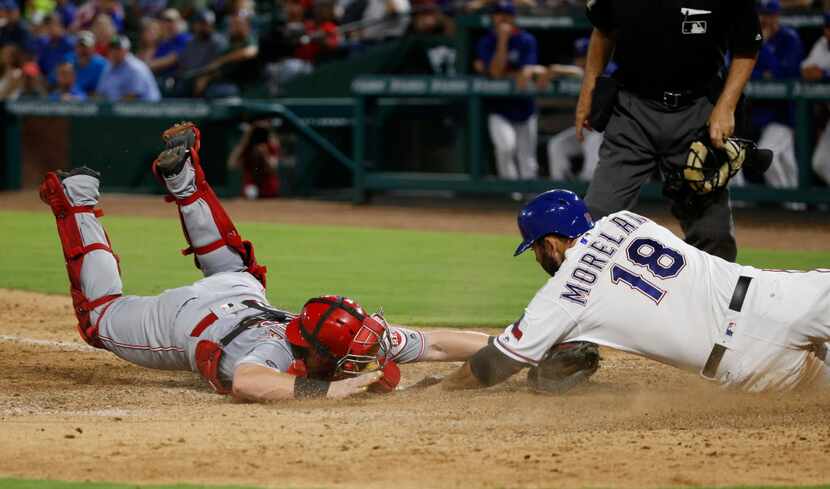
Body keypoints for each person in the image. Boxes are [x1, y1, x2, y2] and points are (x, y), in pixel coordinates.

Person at [39, 122, 489, 401]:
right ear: (314, 351)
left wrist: (517, 348)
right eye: (352, 358)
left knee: (236, 270)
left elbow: (435, 344)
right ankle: (76, 199)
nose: (363, 359)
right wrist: (332, 389)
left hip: (238, 297)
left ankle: (184, 179)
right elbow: (249, 384)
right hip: (181, 320)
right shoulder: (270, 353)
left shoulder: (350, 334)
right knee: (100, 318)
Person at [438, 189, 830, 394]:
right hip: (773, 295)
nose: (539, 257)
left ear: (550, 243)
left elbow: (496, 363)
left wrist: (439, 389)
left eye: (537, 249)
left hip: (748, 364)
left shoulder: (560, 298)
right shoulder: (626, 220)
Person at [574, 0, 762, 262]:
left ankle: (713, 302)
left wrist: (726, 105)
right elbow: (603, 31)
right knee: (595, 219)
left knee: (713, 234)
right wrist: (587, 91)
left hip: (696, 113)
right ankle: (581, 298)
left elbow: (747, 47)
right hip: (632, 112)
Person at [474, 1, 545, 183]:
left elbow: (525, 74)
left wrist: (508, 72)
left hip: (525, 107)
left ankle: (530, 197)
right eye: (497, 14)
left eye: (505, 14)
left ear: (513, 17)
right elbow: (497, 73)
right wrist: (503, 41)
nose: (501, 18)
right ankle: (511, 195)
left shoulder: (526, 39)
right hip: (499, 108)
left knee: (527, 158)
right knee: (505, 148)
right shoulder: (486, 41)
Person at [742, 0, 803, 203]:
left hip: (785, 114)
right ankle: (797, 206)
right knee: (786, 164)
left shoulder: (789, 38)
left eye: (771, 15)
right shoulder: (754, 37)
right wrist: (763, 71)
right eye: (763, 14)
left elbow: (782, 73)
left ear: (778, 16)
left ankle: (790, 205)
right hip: (763, 116)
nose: (766, 19)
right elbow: (748, 73)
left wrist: (764, 48)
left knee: (769, 157)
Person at [547, 36, 605, 183]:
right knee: (558, 144)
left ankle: (587, 189)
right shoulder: (575, 73)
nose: (580, 61)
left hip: (611, 131)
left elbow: (591, 75)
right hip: (589, 128)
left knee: (592, 142)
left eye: (584, 57)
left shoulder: (608, 67)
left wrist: (571, 71)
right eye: (579, 57)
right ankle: (561, 187)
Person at [804, 13, 830, 184]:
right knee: (820, 163)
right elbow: (805, 70)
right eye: (827, 28)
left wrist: (823, 74)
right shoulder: (822, 44)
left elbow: (818, 72)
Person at [95, 35, 161, 101]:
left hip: (147, 108)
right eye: (112, 49)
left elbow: (134, 96)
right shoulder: (108, 67)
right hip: (120, 107)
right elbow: (101, 93)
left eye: (118, 49)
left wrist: (112, 106)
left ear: (126, 50)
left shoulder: (135, 68)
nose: (114, 52)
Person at [227, 123, 281, 199]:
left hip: (268, 189)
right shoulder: (247, 147)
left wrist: (264, 154)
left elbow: (273, 167)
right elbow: (232, 164)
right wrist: (245, 139)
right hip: (251, 188)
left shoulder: (270, 146)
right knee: (251, 192)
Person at [148, 8, 192, 81]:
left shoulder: (185, 38)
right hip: (160, 77)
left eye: (170, 20)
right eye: (164, 20)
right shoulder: (163, 41)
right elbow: (151, 57)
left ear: (179, 22)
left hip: (177, 80)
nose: (167, 24)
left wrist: (144, 67)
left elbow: (172, 59)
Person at [35, 13, 75, 84]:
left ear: (60, 25)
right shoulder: (44, 43)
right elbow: (39, 64)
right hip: (46, 82)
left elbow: (69, 66)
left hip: (63, 83)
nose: (51, 28)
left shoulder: (69, 43)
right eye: (48, 25)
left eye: (53, 24)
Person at [72, 30, 108, 95]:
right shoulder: (69, 62)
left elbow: (103, 91)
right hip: (70, 101)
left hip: (92, 102)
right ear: (75, 47)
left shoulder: (102, 65)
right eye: (80, 46)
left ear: (93, 47)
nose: (83, 50)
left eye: (86, 47)